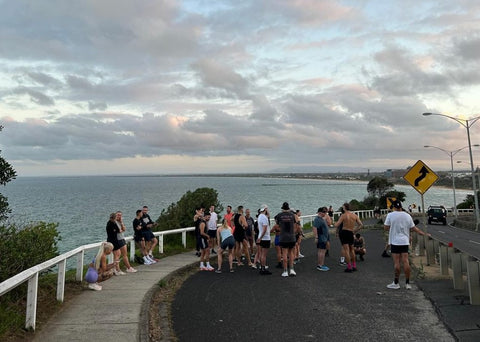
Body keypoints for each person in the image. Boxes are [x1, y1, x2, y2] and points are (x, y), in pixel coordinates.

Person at [384, 200, 430, 290]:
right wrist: (424, 234)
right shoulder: (407, 215)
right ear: (401, 206)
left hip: (395, 241)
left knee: (397, 262)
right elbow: (414, 228)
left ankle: (396, 283)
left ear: (393, 207)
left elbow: (385, 228)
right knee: (405, 261)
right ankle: (407, 283)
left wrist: (393, 227)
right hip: (405, 241)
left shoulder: (390, 215)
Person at [334, 203, 363, 273]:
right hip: (350, 232)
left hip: (344, 232)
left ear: (344, 208)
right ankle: (354, 266)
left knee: (346, 250)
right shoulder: (354, 215)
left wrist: (332, 223)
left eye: (343, 207)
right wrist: (354, 231)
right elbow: (361, 225)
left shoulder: (343, 215)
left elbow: (337, 225)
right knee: (352, 250)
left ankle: (349, 267)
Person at [275, 202, 297, 277]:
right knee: (291, 253)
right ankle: (292, 269)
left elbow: (277, 225)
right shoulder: (292, 215)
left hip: (283, 237)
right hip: (291, 236)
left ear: (282, 208)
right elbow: (294, 224)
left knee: (284, 254)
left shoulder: (279, 215)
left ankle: (285, 271)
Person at [256, 204, 272, 275]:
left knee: (262, 253)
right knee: (264, 254)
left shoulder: (259, 216)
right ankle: (263, 268)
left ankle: (262, 267)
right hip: (265, 238)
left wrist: (259, 237)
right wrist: (261, 237)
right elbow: (265, 229)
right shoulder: (264, 218)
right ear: (265, 209)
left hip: (261, 237)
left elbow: (260, 228)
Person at [313, 207, 330, 271]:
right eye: (324, 212)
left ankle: (321, 264)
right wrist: (316, 237)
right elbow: (314, 228)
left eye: (325, 212)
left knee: (322, 251)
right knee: (321, 251)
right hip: (321, 238)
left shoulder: (321, 218)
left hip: (323, 238)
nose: (325, 213)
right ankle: (320, 265)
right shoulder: (317, 219)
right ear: (319, 212)